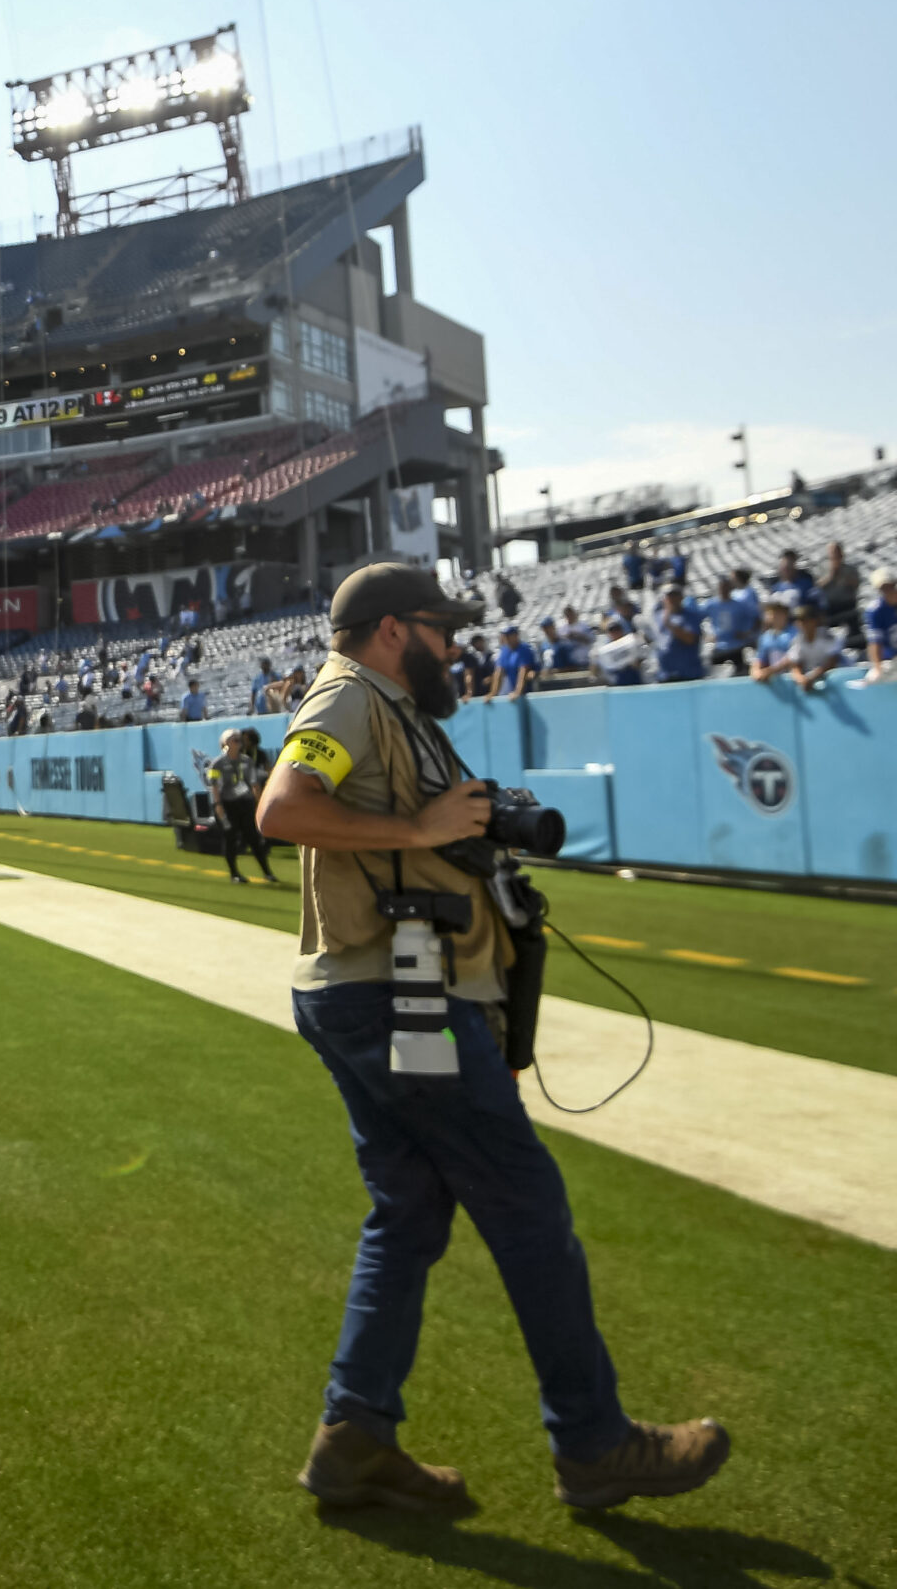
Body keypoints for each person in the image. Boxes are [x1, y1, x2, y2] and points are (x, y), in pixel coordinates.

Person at [254, 563, 728, 1516]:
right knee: (525, 1201)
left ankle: (354, 1439)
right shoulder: (348, 694)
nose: (455, 645)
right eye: (442, 628)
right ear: (394, 630)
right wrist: (422, 824)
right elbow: (282, 809)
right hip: (400, 993)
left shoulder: (390, 706)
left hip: (386, 990)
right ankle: (593, 1442)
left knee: (410, 1211)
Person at [205, 728, 275, 884]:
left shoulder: (247, 761)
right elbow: (214, 787)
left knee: (253, 838)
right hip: (228, 804)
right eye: (234, 739)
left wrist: (259, 804)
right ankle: (234, 873)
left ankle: (267, 872)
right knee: (230, 838)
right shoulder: (217, 764)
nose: (239, 742)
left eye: (239, 739)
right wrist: (218, 805)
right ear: (225, 743)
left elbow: (254, 784)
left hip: (245, 803)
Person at [774, 603, 844, 692]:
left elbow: (832, 662)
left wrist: (812, 677)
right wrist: (800, 678)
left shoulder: (827, 636)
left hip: (836, 683)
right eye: (798, 620)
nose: (801, 624)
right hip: (812, 683)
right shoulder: (798, 639)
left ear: (814, 621)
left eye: (804, 620)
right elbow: (794, 664)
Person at [651, 586, 705, 682]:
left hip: (687, 674)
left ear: (681, 597)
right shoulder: (658, 616)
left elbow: (690, 639)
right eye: (669, 596)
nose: (672, 599)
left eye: (675, 596)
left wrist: (669, 624)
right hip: (665, 675)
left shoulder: (690, 616)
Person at [864, 567, 897, 685]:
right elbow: (875, 642)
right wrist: (878, 668)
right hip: (890, 659)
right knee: (872, 680)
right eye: (883, 588)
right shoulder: (876, 610)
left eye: (890, 586)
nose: (888, 590)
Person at [488, 623, 538, 699]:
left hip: (531, 693)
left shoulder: (524, 649)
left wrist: (517, 692)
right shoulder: (504, 651)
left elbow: (523, 671)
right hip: (516, 693)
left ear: (516, 635)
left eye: (509, 635)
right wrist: (493, 693)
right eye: (505, 635)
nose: (507, 637)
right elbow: (499, 672)